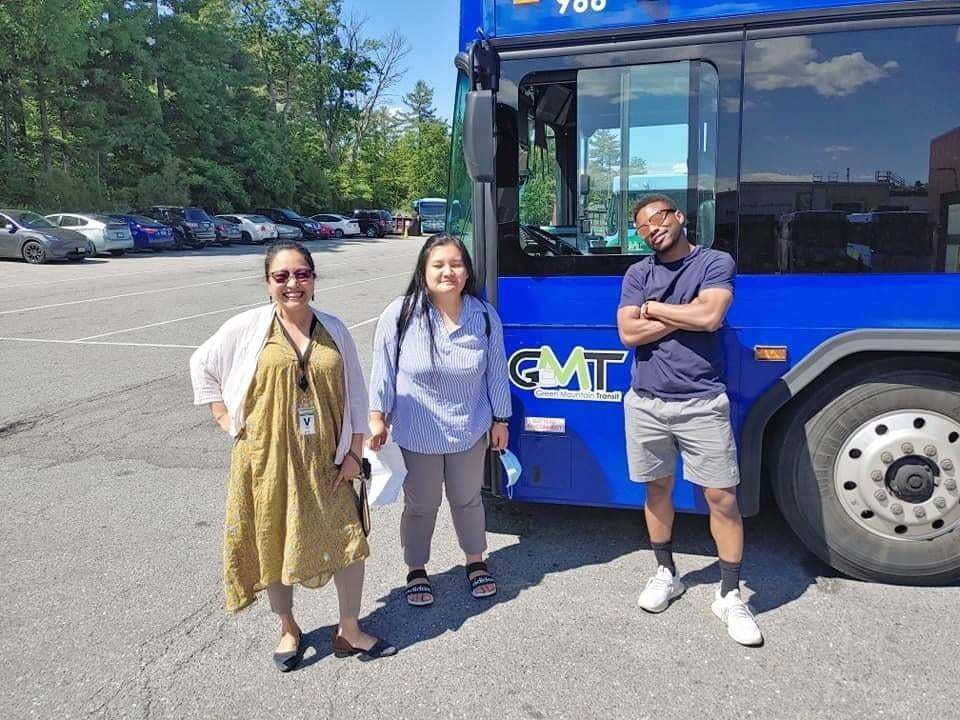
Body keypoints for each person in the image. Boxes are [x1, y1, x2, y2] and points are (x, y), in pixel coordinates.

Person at [190, 241, 396, 671]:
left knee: (348, 541)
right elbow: (202, 364)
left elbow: (356, 394)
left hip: (327, 458)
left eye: (301, 274)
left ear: (314, 281)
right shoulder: (248, 328)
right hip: (265, 461)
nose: (292, 284)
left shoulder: (335, 330)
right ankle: (288, 628)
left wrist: (355, 454)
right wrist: (226, 418)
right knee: (272, 540)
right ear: (268, 284)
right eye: (281, 276)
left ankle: (349, 628)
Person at [616, 194, 762, 646]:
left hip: (702, 402)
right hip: (646, 402)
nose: (651, 229)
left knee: (721, 497)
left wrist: (655, 309)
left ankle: (730, 594)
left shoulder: (715, 262)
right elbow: (627, 333)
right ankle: (666, 572)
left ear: (679, 217)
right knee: (657, 488)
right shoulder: (638, 273)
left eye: (657, 218)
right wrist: (688, 318)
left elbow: (713, 314)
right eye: (641, 226)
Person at [368, 233, 511, 607]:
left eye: (456, 264)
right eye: (439, 265)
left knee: (467, 500)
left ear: (466, 272)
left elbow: (496, 371)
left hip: (469, 430)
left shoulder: (483, 316)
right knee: (421, 505)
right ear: (424, 270)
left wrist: (501, 419)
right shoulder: (401, 314)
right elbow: (382, 370)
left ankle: (475, 560)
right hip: (417, 433)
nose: (448, 272)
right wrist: (377, 417)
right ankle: (416, 569)